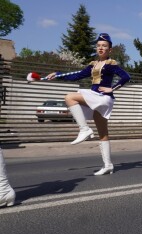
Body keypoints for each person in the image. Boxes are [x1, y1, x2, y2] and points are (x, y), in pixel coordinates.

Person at [46, 33, 131, 175]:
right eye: (98, 46)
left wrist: (113, 88)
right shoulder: (93, 65)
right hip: (94, 96)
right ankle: (108, 165)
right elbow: (76, 76)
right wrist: (58, 74)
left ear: (110, 49)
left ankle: (84, 129)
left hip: (102, 97)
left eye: (104, 46)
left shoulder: (111, 64)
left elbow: (126, 77)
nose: (101, 48)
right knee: (103, 133)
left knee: (69, 97)